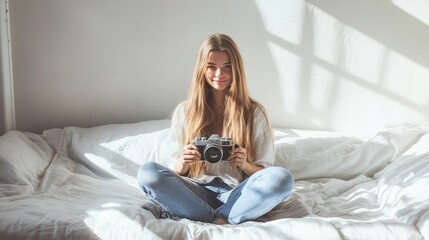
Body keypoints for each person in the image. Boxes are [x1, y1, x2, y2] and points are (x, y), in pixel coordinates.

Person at [137, 33, 294, 225]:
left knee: (283, 179)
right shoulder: (186, 112)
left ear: (236, 69)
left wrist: (245, 165)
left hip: (238, 193)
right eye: (212, 67)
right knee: (147, 172)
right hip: (194, 191)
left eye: (227, 67)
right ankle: (224, 218)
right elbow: (173, 171)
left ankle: (211, 216)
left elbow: (266, 172)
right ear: (202, 69)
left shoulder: (254, 113)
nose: (219, 75)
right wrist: (184, 163)